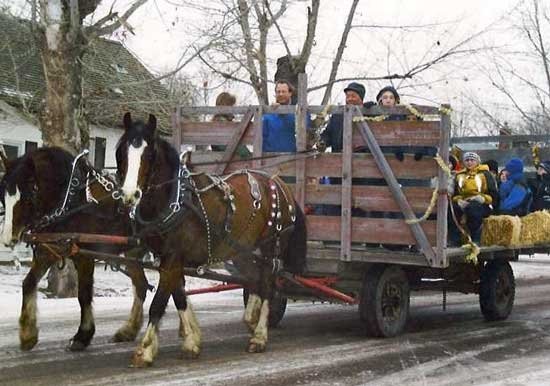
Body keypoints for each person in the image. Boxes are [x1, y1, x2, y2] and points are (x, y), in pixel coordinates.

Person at [450, 152, 497, 243]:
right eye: (467, 160)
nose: (469, 162)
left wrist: (483, 198)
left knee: (474, 209)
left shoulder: (485, 174)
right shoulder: (460, 175)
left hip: (481, 202)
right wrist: (458, 200)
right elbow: (455, 194)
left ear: (477, 162)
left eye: (472, 160)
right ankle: (455, 239)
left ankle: (475, 237)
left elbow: (494, 195)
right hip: (464, 201)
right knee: (452, 209)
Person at [320, 82, 365, 153]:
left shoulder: (367, 115)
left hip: (361, 159)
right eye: (347, 96)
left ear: (361, 99)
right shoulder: (337, 116)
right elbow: (328, 134)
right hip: (337, 158)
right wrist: (323, 142)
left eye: (353, 96)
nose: (349, 99)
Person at [262, 80, 300, 152]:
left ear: (290, 93)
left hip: (292, 158)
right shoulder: (267, 115)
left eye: (283, 91)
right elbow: (261, 138)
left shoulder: (296, 114)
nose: (281, 94)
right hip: (269, 159)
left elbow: (307, 131)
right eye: (278, 92)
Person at [211, 92, 251, 158]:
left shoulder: (219, 122)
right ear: (225, 105)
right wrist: (249, 157)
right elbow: (235, 146)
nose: (233, 109)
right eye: (232, 106)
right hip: (227, 161)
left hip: (226, 160)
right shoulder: (222, 124)